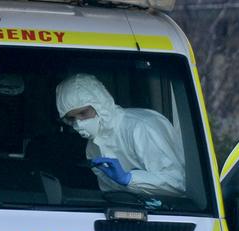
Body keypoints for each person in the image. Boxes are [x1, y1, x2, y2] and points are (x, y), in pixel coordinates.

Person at [56, 73, 185, 196]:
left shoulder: (141, 127)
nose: (79, 124)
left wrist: (130, 179)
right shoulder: (93, 147)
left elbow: (179, 183)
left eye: (83, 113)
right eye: (72, 118)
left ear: (100, 103)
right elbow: (110, 194)